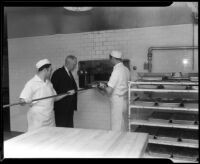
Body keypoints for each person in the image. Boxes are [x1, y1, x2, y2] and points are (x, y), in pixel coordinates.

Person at [19, 59, 74, 132]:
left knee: (50, 138)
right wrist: (25, 101)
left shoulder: (49, 83)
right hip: (37, 119)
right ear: (45, 70)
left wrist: (67, 94)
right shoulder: (31, 83)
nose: (51, 72)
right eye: (50, 70)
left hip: (50, 117)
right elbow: (21, 101)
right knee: (37, 139)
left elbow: (54, 98)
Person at [97, 51, 130, 131]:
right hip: (125, 101)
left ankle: (116, 143)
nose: (110, 61)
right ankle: (124, 142)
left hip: (117, 103)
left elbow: (109, 91)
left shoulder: (116, 71)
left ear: (113, 58)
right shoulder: (126, 69)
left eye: (110, 59)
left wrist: (101, 86)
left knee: (116, 127)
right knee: (124, 125)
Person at [51, 55, 78, 128]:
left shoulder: (69, 73)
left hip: (69, 107)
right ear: (68, 63)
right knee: (61, 128)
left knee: (69, 128)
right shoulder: (57, 73)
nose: (75, 66)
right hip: (61, 108)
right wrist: (67, 93)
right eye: (74, 64)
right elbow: (52, 91)